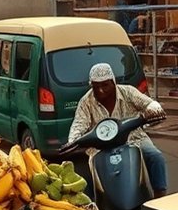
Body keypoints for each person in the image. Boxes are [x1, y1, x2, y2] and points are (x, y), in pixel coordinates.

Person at [69, 63, 169, 199]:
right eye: (96, 86)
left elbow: (148, 103)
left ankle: (160, 196)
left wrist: (153, 110)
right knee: (89, 175)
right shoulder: (86, 101)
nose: (101, 90)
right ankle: (96, 204)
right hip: (102, 147)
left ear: (113, 82)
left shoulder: (128, 92)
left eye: (105, 85)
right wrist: (73, 141)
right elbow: (78, 125)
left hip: (135, 139)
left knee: (155, 156)